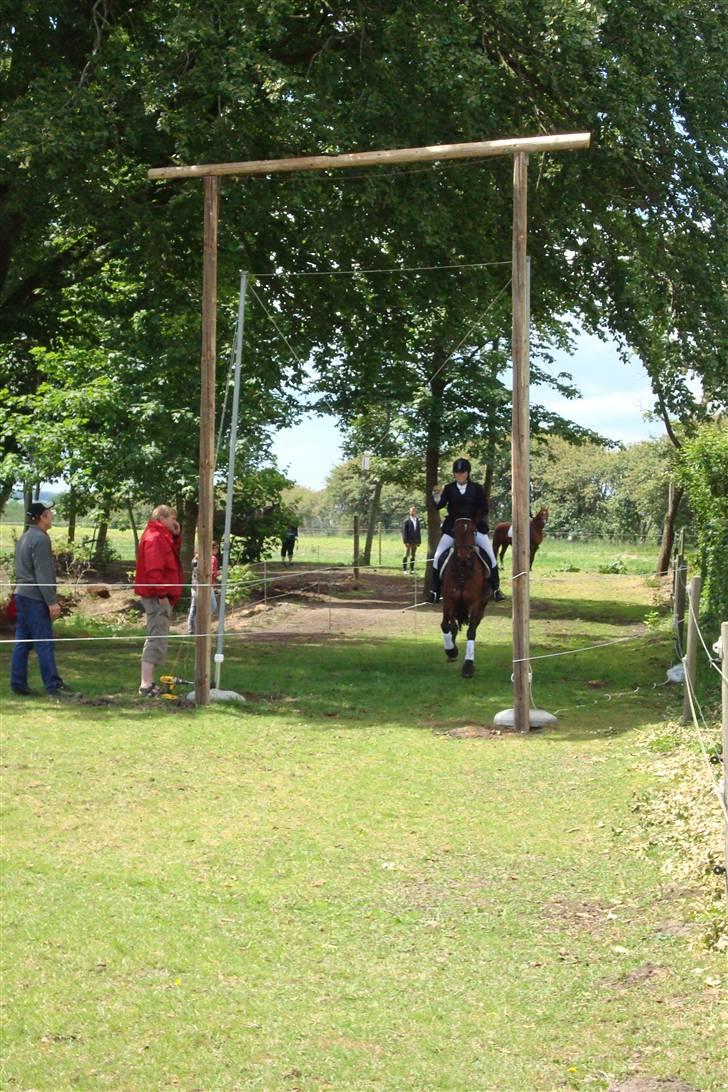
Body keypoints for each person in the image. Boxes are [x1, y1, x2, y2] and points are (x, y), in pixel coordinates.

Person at [10, 501, 79, 698]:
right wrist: (51, 601)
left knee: (23, 641)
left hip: (21, 593)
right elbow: (43, 573)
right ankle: (53, 686)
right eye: (49, 512)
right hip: (34, 597)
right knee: (44, 642)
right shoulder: (40, 539)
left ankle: (18, 684)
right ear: (42, 517)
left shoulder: (25, 537)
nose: (52, 515)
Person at [429, 458, 505, 603]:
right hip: (453, 528)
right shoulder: (449, 488)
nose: (460, 475)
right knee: (438, 556)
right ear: (454, 474)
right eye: (457, 473)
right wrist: (436, 497)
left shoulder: (477, 488)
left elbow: (484, 508)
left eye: (462, 473)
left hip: (473, 527)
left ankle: (496, 589)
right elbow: (440, 506)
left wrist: (474, 521)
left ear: (468, 473)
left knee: (490, 555)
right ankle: (434, 590)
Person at [134, 504, 184, 697]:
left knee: (159, 637)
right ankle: (145, 684)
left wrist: (177, 536)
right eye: (173, 518)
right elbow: (154, 571)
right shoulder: (154, 538)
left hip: (161, 595)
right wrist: (162, 595)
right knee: (155, 638)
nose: (176, 522)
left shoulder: (161, 536)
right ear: (162, 518)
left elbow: (171, 557)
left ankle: (149, 683)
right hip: (157, 597)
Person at [187, 540, 220, 634]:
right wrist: (219, 573)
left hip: (195, 585)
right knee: (212, 606)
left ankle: (192, 629)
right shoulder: (212, 558)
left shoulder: (195, 559)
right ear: (213, 549)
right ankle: (202, 626)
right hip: (205, 586)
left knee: (194, 607)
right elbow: (211, 573)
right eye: (217, 548)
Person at [401, 505, 421, 574]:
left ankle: (412, 569)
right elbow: (404, 532)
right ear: (409, 512)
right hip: (408, 541)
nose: (413, 512)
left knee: (413, 555)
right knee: (406, 554)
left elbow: (418, 531)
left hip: (415, 541)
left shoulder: (417, 520)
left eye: (414, 510)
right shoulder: (406, 521)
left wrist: (419, 541)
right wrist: (405, 542)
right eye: (412, 510)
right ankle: (404, 569)